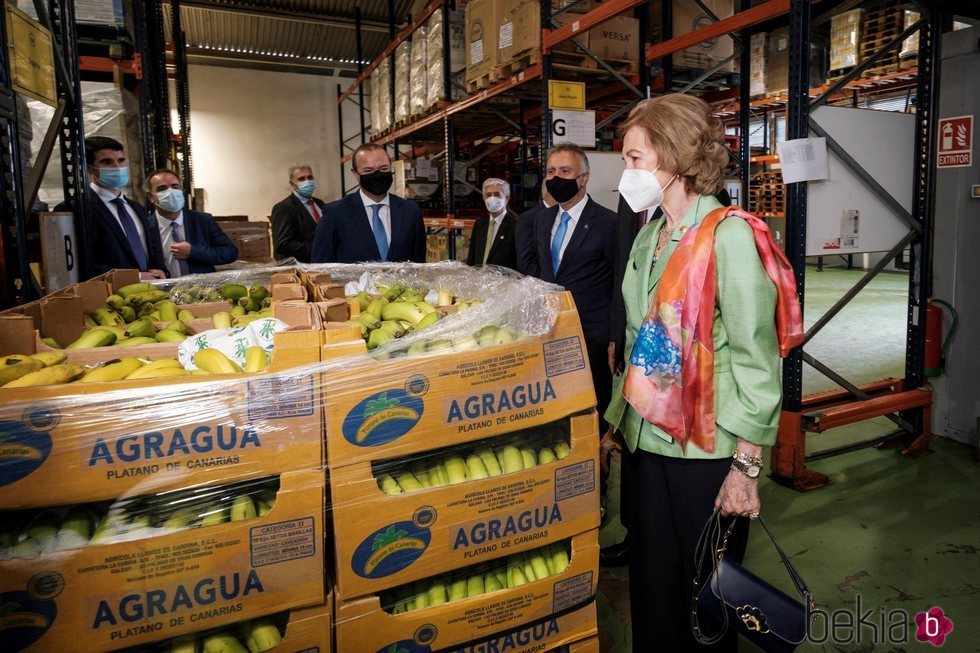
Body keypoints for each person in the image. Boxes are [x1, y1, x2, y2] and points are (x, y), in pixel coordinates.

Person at [606, 93, 802, 651]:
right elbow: (647, 341)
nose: (628, 172)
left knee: (705, 601)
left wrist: (745, 467)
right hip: (648, 446)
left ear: (675, 158)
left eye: (636, 158)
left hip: (707, 456)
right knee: (653, 586)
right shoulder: (650, 235)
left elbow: (756, 358)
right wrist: (617, 421)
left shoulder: (729, 236)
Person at [520, 142, 617, 430]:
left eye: (565, 171)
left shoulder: (608, 223)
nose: (556, 178)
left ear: (584, 177)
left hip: (592, 338)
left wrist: (614, 337)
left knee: (592, 411)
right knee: (556, 411)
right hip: (550, 332)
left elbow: (618, 281)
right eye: (551, 171)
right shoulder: (542, 219)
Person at [311, 144, 425, 263]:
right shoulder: (335, 214)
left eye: (384, 169)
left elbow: (419, 263)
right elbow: (320, 266)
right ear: (355, 174)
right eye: (368, 170)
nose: (377, 175)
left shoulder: (411, 211)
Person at [75, 136, 167, 279]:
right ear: (90, 168)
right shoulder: (78, 209)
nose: (117, 167)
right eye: (107, 162)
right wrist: (135, 277)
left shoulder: (136, 208)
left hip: (149, 293)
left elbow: (152, 249)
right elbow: (82, 264)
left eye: (121, 160)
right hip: (108, 296)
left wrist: (160, 269)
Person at [148, 169, 238, 276]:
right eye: (162, 189)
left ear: (181, 191)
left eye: (175, 187)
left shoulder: (203, 220)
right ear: (151, 197)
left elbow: (229, 253)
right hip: (163, 290)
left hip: (203, 289)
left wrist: (193, 252)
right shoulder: (146, 227)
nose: (170, 192)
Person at [270, 164, 325, 262]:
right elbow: (283, 244)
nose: (307, 181)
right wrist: (319, 248)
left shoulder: (319, 203)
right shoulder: (283, 208)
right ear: (292, 183)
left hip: (324, 263)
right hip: (300, 268)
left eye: (310, 177)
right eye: (301, 179)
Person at [465, 177, 518, 269]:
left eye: (497, 194)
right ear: (484, 198)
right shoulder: (479, 224)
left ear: (507, 198)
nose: (492, 198)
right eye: (488, 195)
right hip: (478, 280)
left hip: (504, 281)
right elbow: (471, 258)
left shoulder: (516, 225)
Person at [515, 182, 555, 278]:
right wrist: (547, 281)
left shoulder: (564, 215)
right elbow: (525, 261)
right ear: (548, 192)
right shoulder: (528, 218)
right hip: (542, 285)